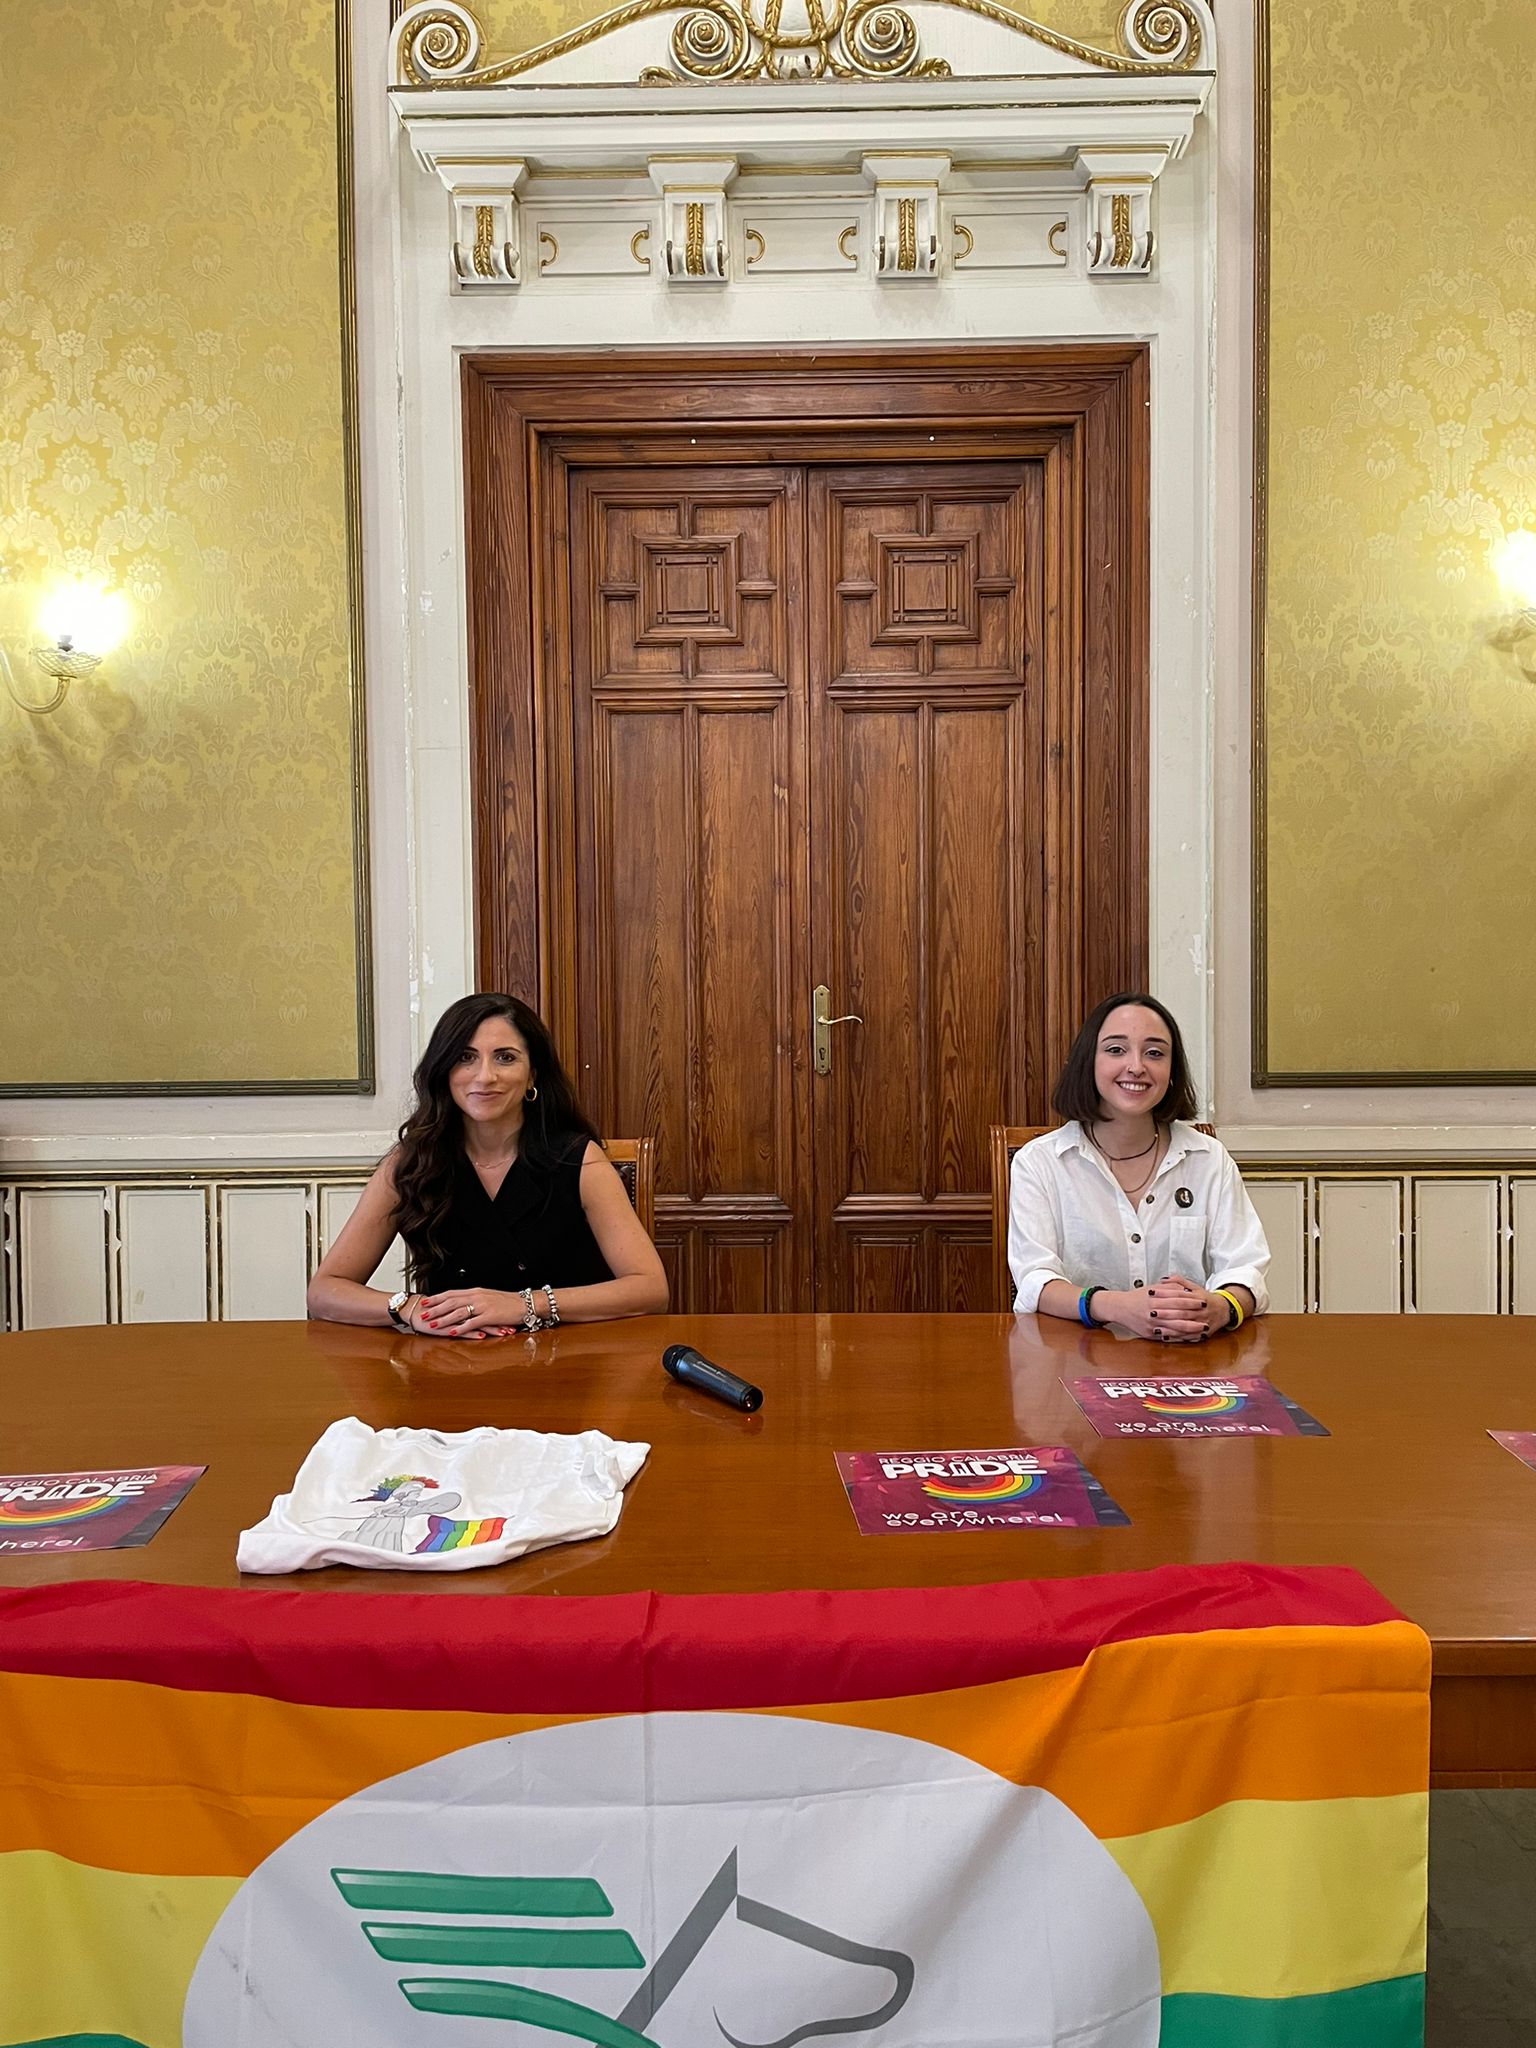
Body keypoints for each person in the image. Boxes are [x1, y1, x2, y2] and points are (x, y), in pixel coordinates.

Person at [308, 993, 668, 1336]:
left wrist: (524, 1304)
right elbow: (324, 1291)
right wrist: (412, 1308)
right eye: (465, 1057)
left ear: (532, 1074)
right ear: (444, 1070)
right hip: (450, 1362)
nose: (484, 1076)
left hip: (567, 1360)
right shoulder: (412, 1162)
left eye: (505, 1058)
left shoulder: (579, 1158)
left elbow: (650, 1289)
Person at [1007, 992, 1268, 1342]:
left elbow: (1245, 1268)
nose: (1136, 1067)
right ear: (1089, 1062)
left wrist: (1220, 1307)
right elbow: (1035, 1279)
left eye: (1154, 1053)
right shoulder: (1039, 1162)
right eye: (1116, 1050)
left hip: (1189, 1358)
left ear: (1172, 1071)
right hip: (1075, 1356)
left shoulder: (1208, 1159)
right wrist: (1118, 1307)